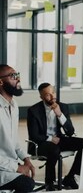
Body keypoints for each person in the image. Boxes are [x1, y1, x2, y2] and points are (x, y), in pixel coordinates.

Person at [27, 82, 83, 191]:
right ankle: (49, 182)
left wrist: (60, 114)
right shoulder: (33, 111)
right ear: (41, 97)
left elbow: (70, 131)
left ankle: (70, 177)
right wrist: (50, 139)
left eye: (53, 92)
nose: (52, 96)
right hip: (40, 143)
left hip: (59, 139)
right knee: (54, 149)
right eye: (48, 94)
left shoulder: (63, 107)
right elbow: (34, 135)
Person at [0, 64, 35, 193]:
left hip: (8, 165)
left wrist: (26, 159)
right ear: (1, 81)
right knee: (26, 184)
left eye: (18, 75)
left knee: (27, 181)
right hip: (3, 167)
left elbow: (13, 141)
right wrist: (17, 168)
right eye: (13, 76)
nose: (18, 79)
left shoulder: (14, 105)